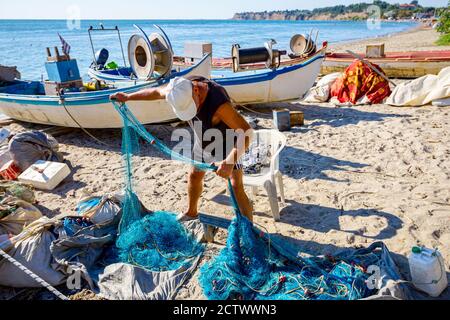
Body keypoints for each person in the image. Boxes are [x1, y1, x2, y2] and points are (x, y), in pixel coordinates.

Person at [110, 76, 254, 222]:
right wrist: (128, 97)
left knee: (235, 187)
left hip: (228, 142)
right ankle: (191, 212)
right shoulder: (178, 88)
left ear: (196, 90)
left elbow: (247, 132)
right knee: (194, 176)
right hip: (203, 139)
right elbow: (155, 92)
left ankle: (250, 228)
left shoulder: (218, 102)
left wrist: (230, 161)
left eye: (192, 106)